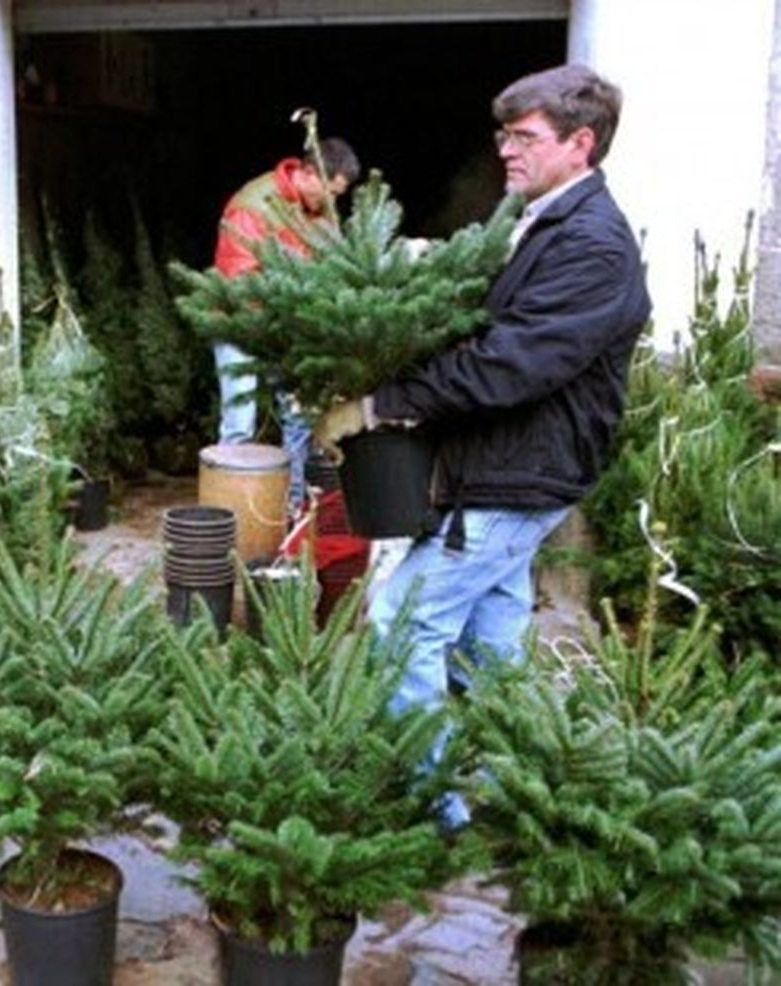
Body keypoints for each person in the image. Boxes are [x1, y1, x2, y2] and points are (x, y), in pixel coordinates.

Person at [314, 65, 651, 826]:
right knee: (493, 637)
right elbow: (503, 308)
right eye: (504, 133)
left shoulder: (594, 244)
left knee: (405, 622)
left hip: (519, 471)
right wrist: (435, 266)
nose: (506, 149)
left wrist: (379, 404)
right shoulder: (543, 217)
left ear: (581, 143)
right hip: (503, 464)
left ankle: (432, 812)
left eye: (525, 136)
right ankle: (517, 777)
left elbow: (511, 364)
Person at [212, 137, 361, 516]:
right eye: (329, 192)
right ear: (309, 174)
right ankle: (236, 518)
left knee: (299, 415)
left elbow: (333, 264)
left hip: (289, 324)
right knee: (240, 420)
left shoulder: (320, 211)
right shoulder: (253, 206)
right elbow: (238, 278)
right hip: (241, 322)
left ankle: (293, 511)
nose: (332, 203)